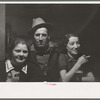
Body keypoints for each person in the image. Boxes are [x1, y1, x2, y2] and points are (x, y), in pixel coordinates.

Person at [27, 17, 60, 82]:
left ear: (49, 37)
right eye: (37, 35)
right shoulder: (27, 51)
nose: (40, 38)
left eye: (44, 35)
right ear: (33, 37)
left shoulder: (56, 50)